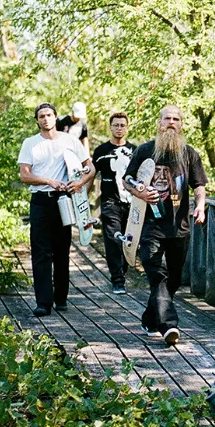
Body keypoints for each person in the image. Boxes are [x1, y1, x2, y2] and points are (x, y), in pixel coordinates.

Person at [123, 106, 207, 346]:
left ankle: (151, 319)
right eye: (167, 118)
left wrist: (200, 205)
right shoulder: (145, 151)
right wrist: (138, 189)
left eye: (176, 119)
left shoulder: (189, 154)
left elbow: (199, 185)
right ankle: (169, 325)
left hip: (179, 227)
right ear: (159, 123)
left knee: (174, 278)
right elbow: (127, 179)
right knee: (155, 272)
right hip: (149, 226)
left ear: (181, 124)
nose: (171, 122)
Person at [18, 102, 95, 317]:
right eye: (41, 116)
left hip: (65, 200)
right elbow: (25, 175)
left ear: (56, 117)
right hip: (41, 200)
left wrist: (80, 185)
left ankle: (61, 297)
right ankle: (43, 302)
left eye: (49, 115)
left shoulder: (70, 141)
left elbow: (90, 167)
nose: (45, 119)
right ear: (37, 120)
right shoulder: (30, 144)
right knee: (41, 252)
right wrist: (48, 181)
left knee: (61, 251)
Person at [91, 112, 136, 294]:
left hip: (132, 202)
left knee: (128, 240)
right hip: (110, 202)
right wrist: (82, 198)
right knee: (113, 239)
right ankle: (117, 279)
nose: (119, 128)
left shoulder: (135, 150)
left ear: (127, 128)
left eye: (122, 125)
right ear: (110, 127)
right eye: (116, 125)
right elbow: (91, 175)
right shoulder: (101, 151)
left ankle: (122, 272)